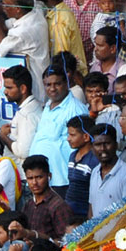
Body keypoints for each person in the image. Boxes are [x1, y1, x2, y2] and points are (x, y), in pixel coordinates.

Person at [31, 68, 90, 197]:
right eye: (48, 85)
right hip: (44, 178)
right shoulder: (48, 105)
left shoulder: (76, 109)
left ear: (66, 83)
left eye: (57, 84)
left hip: (62, 179)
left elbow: (82, 145)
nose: (52, 89)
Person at [88, 125, 126, 220]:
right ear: (92, 148)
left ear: (116, 145)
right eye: (98, 145)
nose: (103, 148)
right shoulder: (95, 172)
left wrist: (111, 235)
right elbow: (92, 207)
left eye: (107, 143)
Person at [21, 157, 73, 239]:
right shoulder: (29, 204)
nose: (34, 183)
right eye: (30, 178)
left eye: (39, 177)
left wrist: (38, 236)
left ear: (49, 176)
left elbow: (66, 241)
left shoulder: (58, 206)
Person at [1, 66, 42, 160]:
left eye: (9, 88)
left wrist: (3, 136)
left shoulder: (27, 114)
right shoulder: (29, 108)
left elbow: (23, 152)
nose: (5, 92)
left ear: (23, 89)